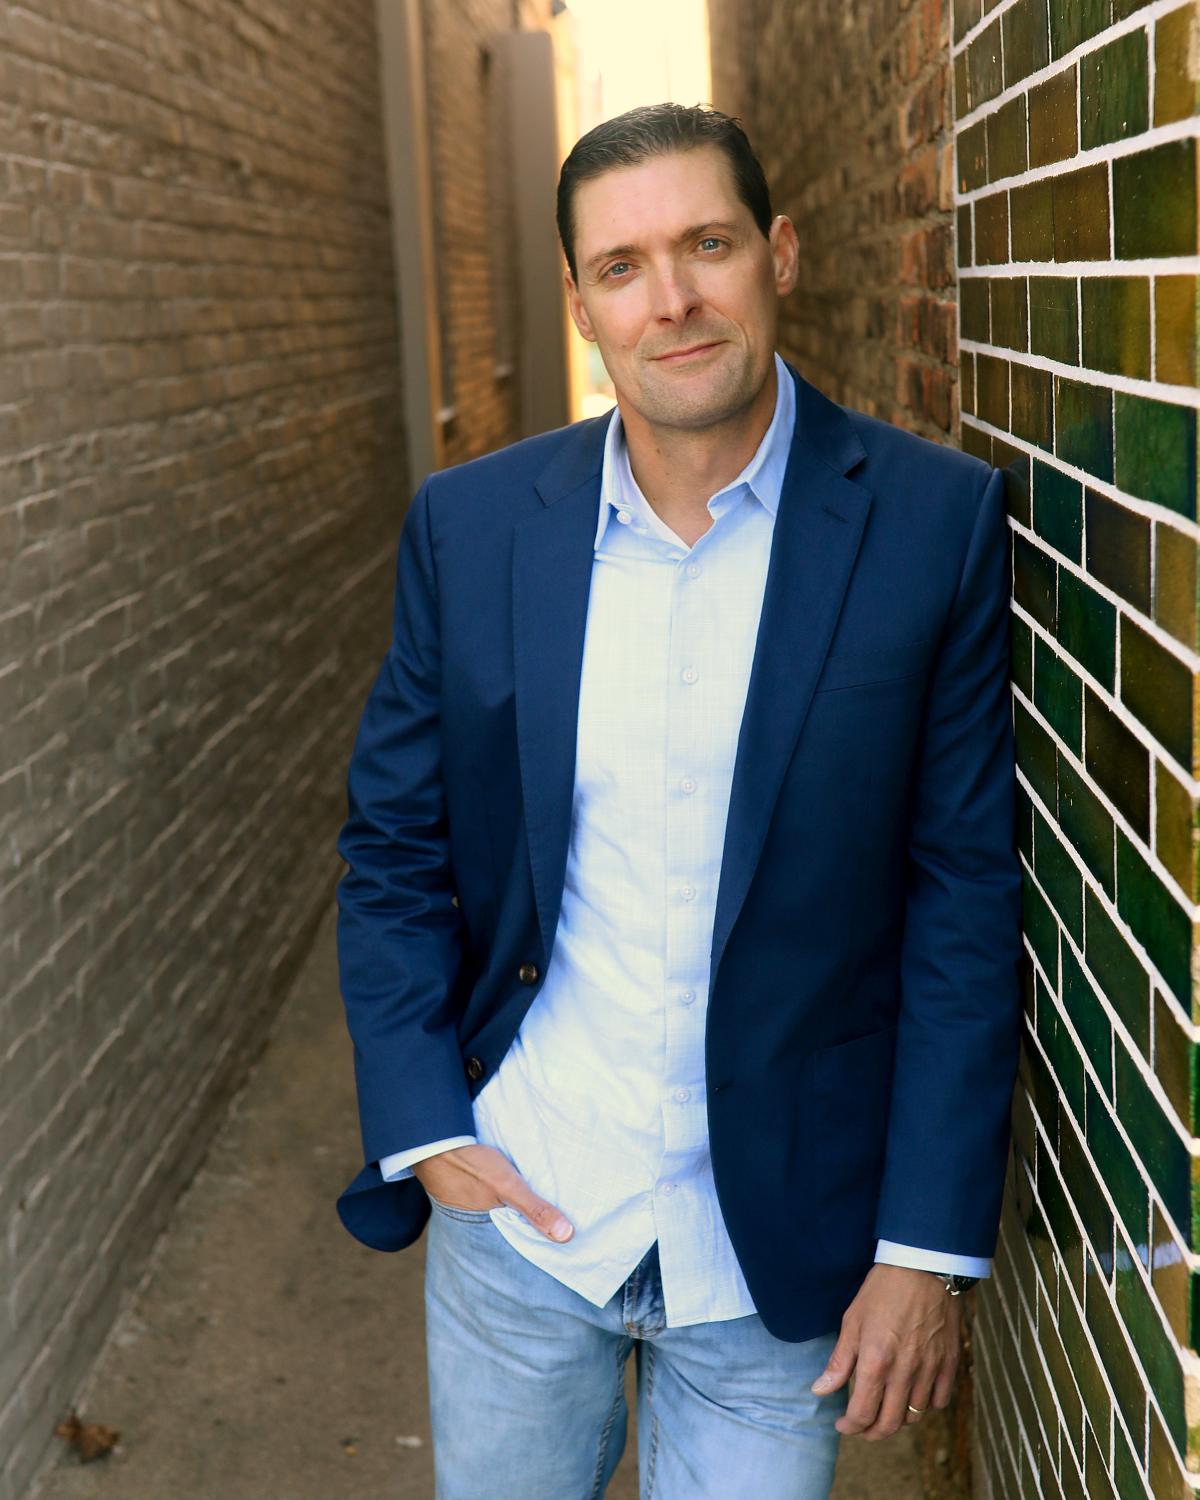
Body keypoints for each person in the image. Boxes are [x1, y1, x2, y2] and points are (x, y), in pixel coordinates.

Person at [333, 102, 1023, 1500]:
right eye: (624, 266)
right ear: (583, 300)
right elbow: (395, 848)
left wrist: (924, 1247)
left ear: (777, 253)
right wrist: (431, 1127)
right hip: (525, 1216)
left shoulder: (931, 525)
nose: (675, 300)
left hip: (777, 1251)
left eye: (707, 245)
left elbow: (964, 894)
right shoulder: (470, 530)